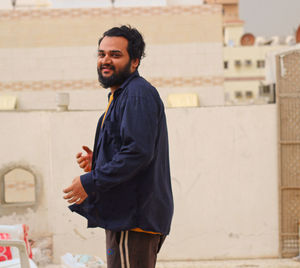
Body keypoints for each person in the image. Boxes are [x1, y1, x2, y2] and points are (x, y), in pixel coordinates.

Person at [63, 25, 173, 268]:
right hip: (127, 216)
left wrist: (89, 181)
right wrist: (99, 161)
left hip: (133, 216)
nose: (105, 60)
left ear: (134, 61)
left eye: (115, 55)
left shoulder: (136, 95)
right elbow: (131, 149)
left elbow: (138, 152)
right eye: (102, 54)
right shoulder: (122, 95)